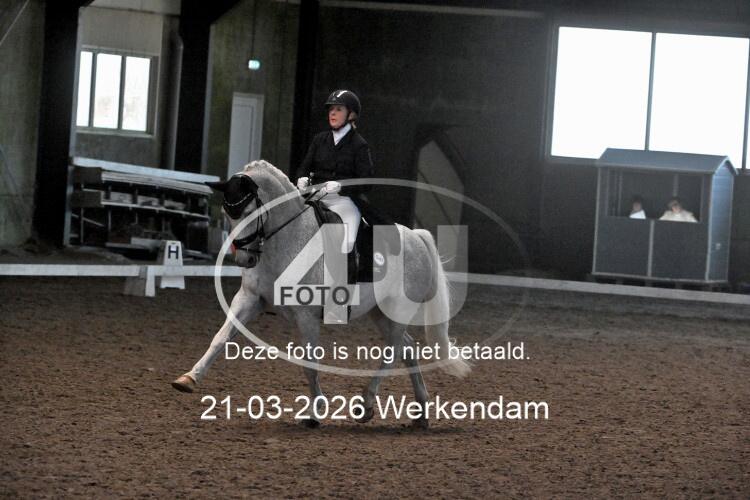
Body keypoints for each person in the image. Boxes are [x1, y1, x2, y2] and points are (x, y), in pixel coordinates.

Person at [295, 89, 398, 283]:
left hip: (343, 200)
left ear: (351, 115)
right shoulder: (320, 139)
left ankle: (347, 279)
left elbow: (366, 181)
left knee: (348, 237)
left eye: (338, 109)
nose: (332, 113)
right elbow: (304, 166)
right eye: (330, 109)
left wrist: (341, 186)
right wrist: (301, 178)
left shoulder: (359, 145)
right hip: (315, 195)